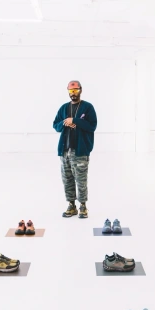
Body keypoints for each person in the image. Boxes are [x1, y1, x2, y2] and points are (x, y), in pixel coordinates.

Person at [53, 80, 97, 218]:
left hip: (80, 151)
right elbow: (55, 125)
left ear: (80, 90)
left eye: (76, 90)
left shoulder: (88, 107)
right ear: (68, 91)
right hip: (65, 151)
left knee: (81, 180)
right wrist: (65, 122)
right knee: (67, 180)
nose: (73, 93)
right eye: (71, 91)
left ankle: (83, 206)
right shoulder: (63, 108)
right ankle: (71, 206)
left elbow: (92, 126)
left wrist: (75, 121)